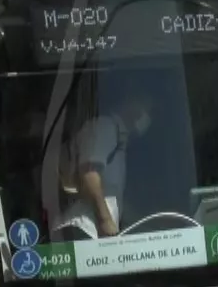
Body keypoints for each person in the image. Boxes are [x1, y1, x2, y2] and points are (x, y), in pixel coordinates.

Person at [59, 90, 153, 239]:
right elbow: (88, 173)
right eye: (147, 108)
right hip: (83, 228)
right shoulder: (105, 126)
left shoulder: (119, 138)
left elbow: (113, 196)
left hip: (94, 231)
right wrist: (105, 220)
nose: (148, 116)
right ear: (129, 101)